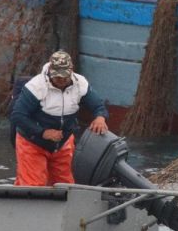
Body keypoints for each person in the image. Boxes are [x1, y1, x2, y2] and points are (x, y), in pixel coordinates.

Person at [10, 50, 109, 187]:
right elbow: (17, 115)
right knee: (33, 185)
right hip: (32, 142)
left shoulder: (81, 84)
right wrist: (43, 132)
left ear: (71, 72)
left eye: (64, 77)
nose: (61, 81)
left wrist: (100, 117)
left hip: (63, 143)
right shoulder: (36, 87)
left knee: (65, 186)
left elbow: (98, 105)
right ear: (50, 71)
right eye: (57, 77)